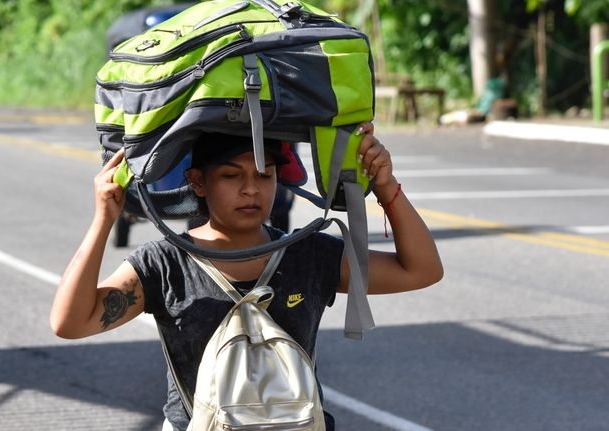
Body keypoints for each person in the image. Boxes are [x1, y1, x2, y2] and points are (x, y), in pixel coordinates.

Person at [49, 122, 443, 430]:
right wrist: (103, 221)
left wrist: (386, 187)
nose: (251, 190)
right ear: (198, 182)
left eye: (264, 175)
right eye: (231, 176)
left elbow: (421, 270)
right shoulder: (164, 263)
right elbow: (70, 322)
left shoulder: (308, 253)